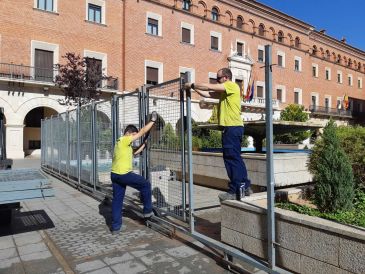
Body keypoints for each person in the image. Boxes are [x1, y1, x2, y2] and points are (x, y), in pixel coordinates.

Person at [185, 68, 251, 201]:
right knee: (236, 158)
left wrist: (191, 84)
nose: (216, 80)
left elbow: (209, 86)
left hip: (231, 127)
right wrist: (193, 89)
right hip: (234, 127)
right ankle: (245, 187)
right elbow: (208, 94)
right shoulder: (226, 92)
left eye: (218, 78)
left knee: (231, 159)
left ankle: (234, 190)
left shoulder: (231, 85)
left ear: (226, 78)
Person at [110, 111, 158, 234]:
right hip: (124, 174)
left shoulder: (120, 143)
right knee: (145, 184)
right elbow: (142, 132)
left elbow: (134, 153)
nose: (134, 138)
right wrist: (152, 121)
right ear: (129, 133)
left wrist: (144, 145)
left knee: (117, 201)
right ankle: (147, 211)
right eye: (134, 136)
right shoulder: (125, 139)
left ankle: (116, 228)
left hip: (115, 175)